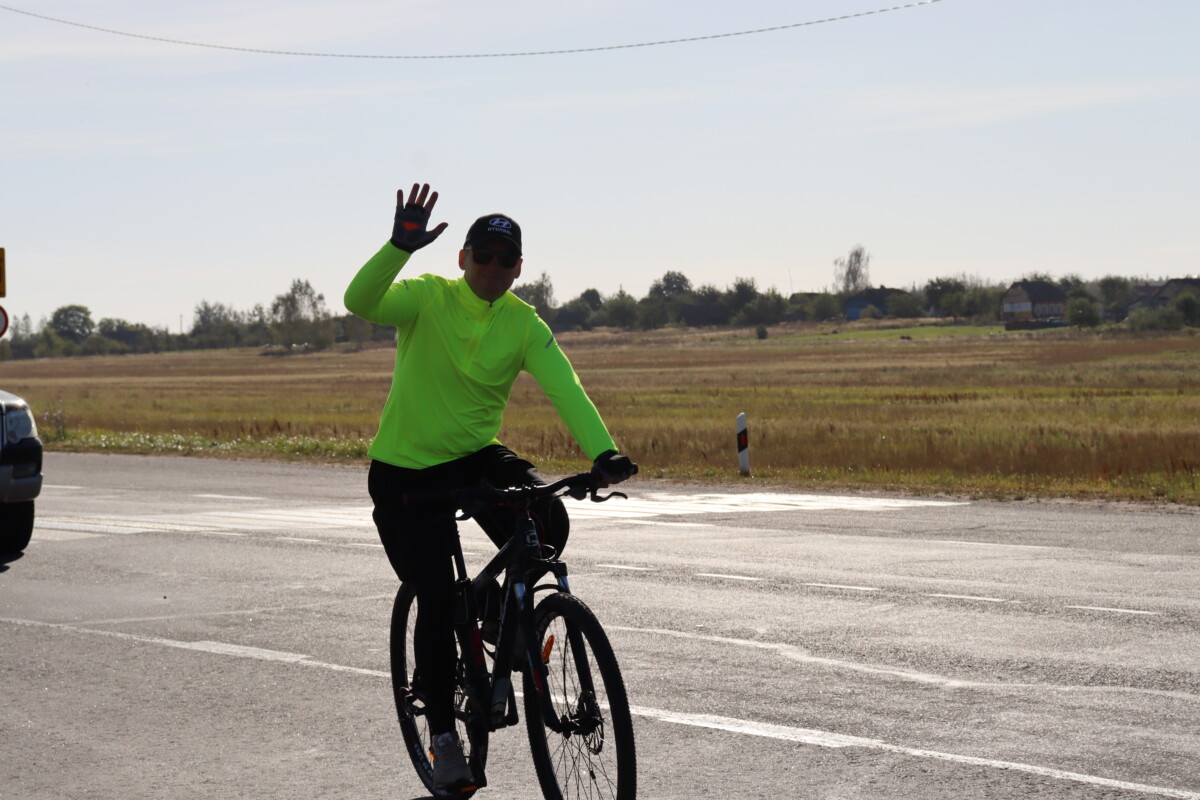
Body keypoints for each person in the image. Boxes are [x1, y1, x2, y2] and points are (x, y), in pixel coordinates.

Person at [344, 183, 636, 791]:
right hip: (404, 472)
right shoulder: (428, 297)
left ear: (519, 268)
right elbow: (360, 300)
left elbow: (565, 386)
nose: (494, 267)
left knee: (548, 517)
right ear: (463, 258)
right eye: (484, 256)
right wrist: (399, 248)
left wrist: (603, 452)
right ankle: (444, 737)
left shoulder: (522, 323)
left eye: (507, 260)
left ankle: (504, 615)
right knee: (436, 595)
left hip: (474, 458)